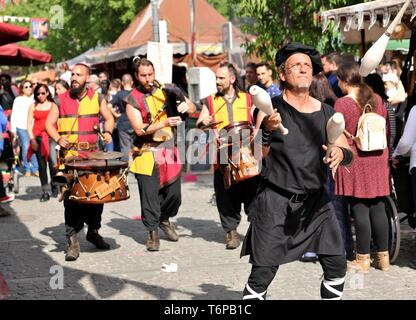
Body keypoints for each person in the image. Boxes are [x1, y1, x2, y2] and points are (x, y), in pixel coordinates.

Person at [241, 43, 352, 300]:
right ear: (282, 74)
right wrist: (268, 128)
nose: (303, 69)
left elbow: (348, 153)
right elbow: (257, 155)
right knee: (262, 275)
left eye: (307, 65)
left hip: (316, 203)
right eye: (296, 65)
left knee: (337, 266)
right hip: (276, 202)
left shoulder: (327, 112)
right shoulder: (271, 109)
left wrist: (340, 154)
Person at [45, 63, 114, 261]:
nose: (74, 78)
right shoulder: (60, 100)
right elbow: (49, 124)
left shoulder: (97, 97)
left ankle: (93, 231)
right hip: (70, 157)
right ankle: (72, 241)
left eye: (78, 75)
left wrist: (108, 132)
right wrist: (58, 138)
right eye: (72, 74)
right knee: (73, 200)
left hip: (93, 155)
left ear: (87, 78)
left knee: (96, 197)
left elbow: (109, 118)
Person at [125, 58, 195, 251]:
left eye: (150, 74)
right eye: (143, 75)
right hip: (146, 152)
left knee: (174, 195)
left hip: (169, 149)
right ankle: (152, 233)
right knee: (149, 196)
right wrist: (164, 123)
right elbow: (139, 130)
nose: (148, 78)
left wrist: (185, 107)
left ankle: (164, 218)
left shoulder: (169, 89)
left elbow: (192, 107)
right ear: (137, 76)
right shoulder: (132, 99)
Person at [197, 62, 262, 250]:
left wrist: (256, 132)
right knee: (226, 196)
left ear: (232, 79)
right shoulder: (210, 101)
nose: (217, 81)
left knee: (253, 194)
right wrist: (204, 123)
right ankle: (231, 232)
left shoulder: (249, 99)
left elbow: (261, 115)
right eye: (216, 78)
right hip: (223, 154)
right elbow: (201, 122)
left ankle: (257, 232)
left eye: (221, 78)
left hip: (247, 153)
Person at [335, 62, 391, 273]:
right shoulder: (376, 98)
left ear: (343, 80)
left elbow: (337, 134)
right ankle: (383, 259)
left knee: (359, 209)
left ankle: (363, 259)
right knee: (378, 207)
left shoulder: (342, 103)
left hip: (356, 158)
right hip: (378, 157)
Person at [27, 84, 59, 201]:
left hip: (51, 137)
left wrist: (59, 138)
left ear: (47, 93)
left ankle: (55, 185)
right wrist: (32, 139)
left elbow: (58, 121)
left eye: (43, 93)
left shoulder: (53, 105)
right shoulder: (33, 106)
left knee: (53, 164)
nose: (40, 96)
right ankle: (45, 191)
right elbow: (29, 124)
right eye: (38, 94)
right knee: (41, 166)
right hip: (38, 137)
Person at [10, 80, 39, 177]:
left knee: (34, 147)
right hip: (21, 127)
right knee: (26, 148)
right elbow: (14, 115)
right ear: (22, 89)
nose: (29, 88)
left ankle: (35, 169)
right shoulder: (18, 99)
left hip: (33, 127)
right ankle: (27, 168)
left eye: (30, 86)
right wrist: (13, 130)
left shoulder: (35, 99)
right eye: (26, 87)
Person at [109, 74, 134, 162]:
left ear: (122, 83)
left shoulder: (119, 94)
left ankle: (125, 168)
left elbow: (109, 105)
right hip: (135, 122)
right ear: (132, 82)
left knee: (124, 147)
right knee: (137, 146)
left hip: (123, 122)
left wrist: (116, 114)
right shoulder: (136, 92)